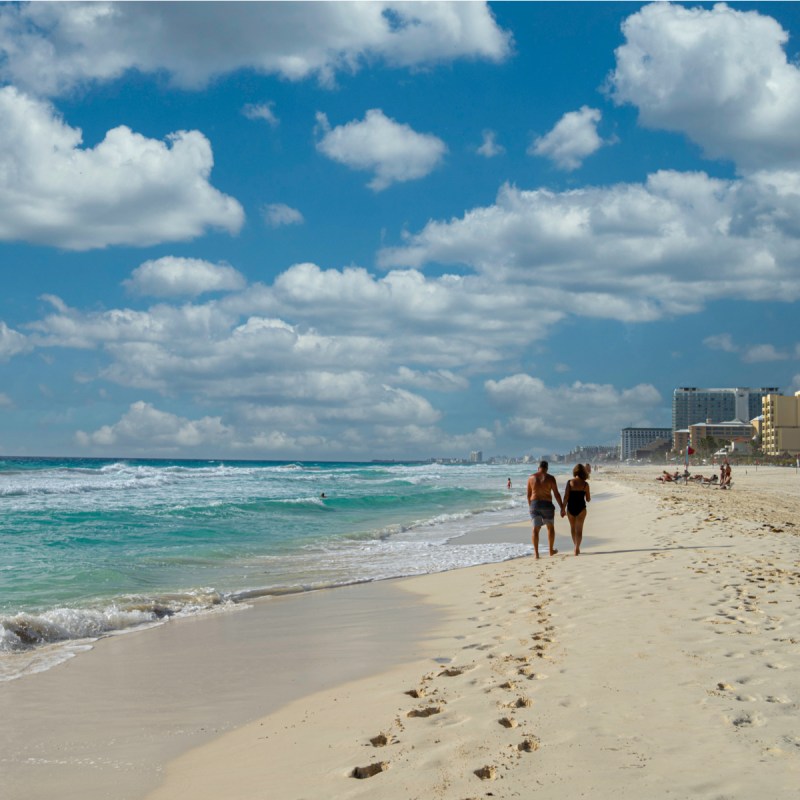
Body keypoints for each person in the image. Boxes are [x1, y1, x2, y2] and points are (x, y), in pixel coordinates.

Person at [526, 460, 564, 558]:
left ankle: (536, 554)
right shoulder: (551, 478)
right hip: (547, 505)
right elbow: (556, 494)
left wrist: (530, 506)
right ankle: (551, 551)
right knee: (550, 527)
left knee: (535, 529)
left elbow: (529, 495)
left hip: (535, 504)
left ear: (538, 468)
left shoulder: (531, 478)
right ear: (547, 468)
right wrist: (562, 507)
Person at [563, 464, 591, 556]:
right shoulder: (585, 484)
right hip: (581, 509)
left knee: (572, 528)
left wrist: (562, 509)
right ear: (583, 472)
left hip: (570, 508)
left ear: (574, 471)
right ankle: (577, 547)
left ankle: (575, 545)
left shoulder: (570, 482)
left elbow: (566, 497)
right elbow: (588, 499)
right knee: (579, 530)